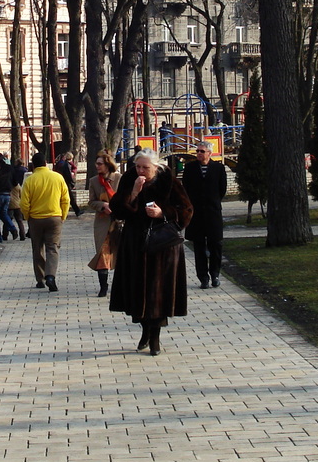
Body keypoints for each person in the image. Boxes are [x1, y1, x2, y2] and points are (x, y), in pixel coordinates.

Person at [108, 148, 193, 356]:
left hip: (163, 247)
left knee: (158, 295)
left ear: (156, 167)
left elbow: (187, 210)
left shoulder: (170, 182)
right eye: (138, 166)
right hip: (136, 245)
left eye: (146, 167)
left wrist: (163, 212)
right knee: (138, 293)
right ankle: (145, 330)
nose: (141, 171)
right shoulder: (130, 179)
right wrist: (134, 193)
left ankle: (155, 339)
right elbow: (117, 209)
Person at [19, 151, 70, 292]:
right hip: (54, 217)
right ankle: (51, 276)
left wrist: (27, 217)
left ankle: (40, 279)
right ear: (46, 163)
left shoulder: (30, 180)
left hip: (35, 218)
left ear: (33, 165)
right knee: (53, 248)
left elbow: (24, 203)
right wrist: (62, 216)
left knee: (37, 248)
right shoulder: (57, 178)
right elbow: (65, 200)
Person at [182, 141, 227, 289]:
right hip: (196, 214)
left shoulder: (218, 168)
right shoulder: (189, 168)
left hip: (213, 213)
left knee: (216, 245)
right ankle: (203, 277)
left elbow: (222, 189)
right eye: (198, 151)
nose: (199, 154)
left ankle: (215, 274)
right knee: (199, 246)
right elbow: (186, 188)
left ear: (210, 153)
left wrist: (212, 202)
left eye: (202, 151)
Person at [86, 150, 121, 297]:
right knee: (102, 255)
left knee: (120, 254)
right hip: (102, 223)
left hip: (119, 222)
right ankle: (103, 286)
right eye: (96, 163)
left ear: (108, 165)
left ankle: (121, 285)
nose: (97, 166)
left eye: (100, 164)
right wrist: (102, 205)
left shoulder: (119, 178)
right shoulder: (94, 181)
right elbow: (91, 202)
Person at [9, 157, 27, 240]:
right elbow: (21, 195)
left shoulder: (9, 186)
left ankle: (5, 235)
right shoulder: (24, 170)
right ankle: (22, 235)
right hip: (18, 204)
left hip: (9, 204)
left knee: (8, 220)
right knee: (19, 220)